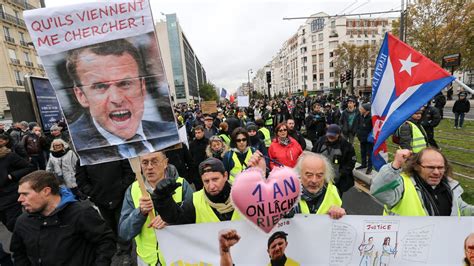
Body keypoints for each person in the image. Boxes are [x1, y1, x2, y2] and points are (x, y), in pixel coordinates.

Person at [65, 38, 178, 163]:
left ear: (142, 87)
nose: (117, 99)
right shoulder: (74, 150)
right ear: (81, 95)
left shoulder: (171, 133)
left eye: (125, 83)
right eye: (100, 87)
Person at [11, 170, 116, 265]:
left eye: (25, 194)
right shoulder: (23, 222)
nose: (20, 199)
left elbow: (105, 241)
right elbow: (19, 253)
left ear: (46, 191)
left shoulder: (80, 213)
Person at [118, 151, 192, 266]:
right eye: (145, 162)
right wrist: (140, 213)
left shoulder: (181, 185)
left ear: (165, 163)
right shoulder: (132, 190)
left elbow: (194, 222)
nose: (149, 167)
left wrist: (170, 218)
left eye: (154, 161)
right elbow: (125, 233)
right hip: (147, 260)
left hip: (179, 258)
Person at [370, 148, 474, 216]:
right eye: (430, 167)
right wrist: (395, 165)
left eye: (441, 167)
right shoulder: (402, 184)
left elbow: (461, 209)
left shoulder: (450, 186)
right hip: (411, 246)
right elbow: (379, 191)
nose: (437, 172)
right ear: (416, 166)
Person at [76, 159, 135, 263]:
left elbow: (129, 172)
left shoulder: (115, 151)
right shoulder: (84, 157)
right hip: (100, 198)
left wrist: (123, 188)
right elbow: (81, 180)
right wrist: (93, 193)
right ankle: (115, 249)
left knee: (122, 225)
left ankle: (126, 251)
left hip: (120, 196)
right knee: (109, 225)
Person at [153, 157, 241, 224]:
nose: (211, 186)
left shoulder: (243, 195)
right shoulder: (195, 200)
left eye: (215, 179)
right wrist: (162, 199)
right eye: (206, 181)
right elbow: (175, 219)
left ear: (225, 176)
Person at [292, 152, 345, 218]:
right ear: (299, 174)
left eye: (319, 176)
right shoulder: (287, 193)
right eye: (309, 175)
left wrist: (340, 212)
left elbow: (342, 223)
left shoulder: (333, 191)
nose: (314, 180)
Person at [312, 124, 356, 197]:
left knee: (335, 199)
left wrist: (341, 173)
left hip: (337, 181)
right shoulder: (321, 141)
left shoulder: (346, 146)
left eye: (333, 136)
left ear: (338, 134)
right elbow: (313, 154)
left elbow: (351, 162)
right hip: (320, 178)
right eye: (329, 135)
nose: (330, 137)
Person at [0, 145, 35, 232]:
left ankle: (32, 240)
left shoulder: (8, 156)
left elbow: (29, 167)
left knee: (13, 224)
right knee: (8, 224)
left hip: (10, 194)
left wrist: (11, 176)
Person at [356, 103, 374, 174]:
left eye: (362, 108)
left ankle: (370, 167)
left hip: (368, 139)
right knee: (362, 151)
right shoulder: (361, 116)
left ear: (366, 110)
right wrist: (358, 133)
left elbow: (373, 129)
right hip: (362, 138)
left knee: (369, 153)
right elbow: (358, 125)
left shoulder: (371, 118)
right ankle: (363, 164)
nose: (360, 109)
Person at [189, 125, 209, 190]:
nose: (197, 134)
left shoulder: (208, 142)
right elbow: (190, 157)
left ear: (203, 132)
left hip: (206, 169)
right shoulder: (192, 144)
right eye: (196, 133)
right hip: (196, 172)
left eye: (199, 132)